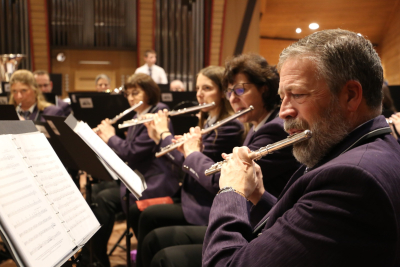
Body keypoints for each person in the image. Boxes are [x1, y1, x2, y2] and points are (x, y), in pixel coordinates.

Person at [202, 29, 400, 266]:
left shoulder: (353, 179)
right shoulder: (360, 148)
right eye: (283, 97)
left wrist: (231, 192)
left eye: (297, 94)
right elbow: (304, 222)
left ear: (350, 95)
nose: (284, 111)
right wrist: (258, 195)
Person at [140, 55, 301, 267]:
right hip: (247, 215)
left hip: (260, 229)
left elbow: (221, 180)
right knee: (154, 237)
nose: (233, 98)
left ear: (265, 89)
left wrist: (192, 152)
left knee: (163, 252)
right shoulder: (257, 124)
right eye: (229, 92)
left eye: (240, 90)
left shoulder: (274, 129)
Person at [132, 66, 244, 267]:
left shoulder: (229, 126)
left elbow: (192, 164)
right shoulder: (207, 121)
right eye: (198, 88)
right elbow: (183, 160)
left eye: (207, 88)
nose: (200, 94)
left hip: (205, 204)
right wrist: (167, 140)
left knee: (151, 227)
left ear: (222, 93)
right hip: (190, 194)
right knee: (144, 216)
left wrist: (164, 136)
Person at [91, 73, 180, 267]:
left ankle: (107, 258)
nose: (131, 98)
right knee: (97, 194)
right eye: (128, 94)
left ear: (148, 93)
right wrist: (101, 139)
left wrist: (111, 137)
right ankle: (96, 258)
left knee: (104, 198)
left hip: (153, 180)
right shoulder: (136, 116)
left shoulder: (157, 113)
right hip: (137, 176)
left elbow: (131, 153)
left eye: (135, 92)